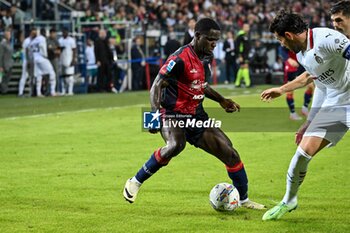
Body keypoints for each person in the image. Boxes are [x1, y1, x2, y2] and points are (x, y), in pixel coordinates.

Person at [123, 18, 266, 210]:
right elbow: (157, 84)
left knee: (230, 153)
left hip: (197, 116)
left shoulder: (206, 57)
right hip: (172, 113)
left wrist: (222, 100)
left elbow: (201, 85)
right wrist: (153, 117)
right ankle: (135, 181)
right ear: (197, 36)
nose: (214, 43)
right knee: (176, 145)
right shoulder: (179, 58)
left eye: (217, 40)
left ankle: (243, 200)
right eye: (210, 39)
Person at [261, 10, 350, 221]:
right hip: (337, 103)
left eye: (279, 39)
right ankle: (289, 200)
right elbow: (317, 83)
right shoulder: (302, 54)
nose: (281, 44)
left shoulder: (326, 39)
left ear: (288, 35)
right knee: (302, 154)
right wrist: (308, 122)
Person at [279, 46, 314, 120]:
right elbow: (281, 49)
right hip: (291, 65)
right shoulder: (287, 38)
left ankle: (304, 108)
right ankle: (292, 113)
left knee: (311, 86)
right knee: (290, 90)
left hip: (301, 64)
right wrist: (288, 59)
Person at [27, 28, 56, 97]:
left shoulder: (34, 40)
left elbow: (29, 48)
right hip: (41, 58)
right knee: (52, 73)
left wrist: (31, 57)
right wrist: (45, 56)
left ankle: (38, 92)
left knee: (39, 76)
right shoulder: (42, 39)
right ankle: (52, 91)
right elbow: (42, 47)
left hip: (35, 59)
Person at [58, 28, 77, 96]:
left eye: (65, 32)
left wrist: (73, 59)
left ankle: (70, 91)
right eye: (63, 32)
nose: (64, 33)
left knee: (70, 76)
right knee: (63, 76)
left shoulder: (71, 40)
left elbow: (74, 50)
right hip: (62, 60)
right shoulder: (60, 40)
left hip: (69, 59)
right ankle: (63, 90)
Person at [235, 23, 251, 87]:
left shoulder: (246, 35)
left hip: (245, 54)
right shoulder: (240, 35)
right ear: (243, 28)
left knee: (242, 68)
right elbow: (237, 46)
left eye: (248, 27)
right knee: (246, 66)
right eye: (246, 27)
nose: (248, 28)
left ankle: (237, 83)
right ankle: (248, 83)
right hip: (242, 54)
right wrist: (239, 55)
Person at [0, 29, 14, 94]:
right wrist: (1, 66)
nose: (9, 36)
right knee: (3, 79)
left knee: (7, 78)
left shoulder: (9, 43)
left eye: (10, 34)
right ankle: (3, 91)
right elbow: (1, 55)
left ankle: (4, 90)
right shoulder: (2, 44)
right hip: (5, 64)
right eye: (8, 34)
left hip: (9, 63)